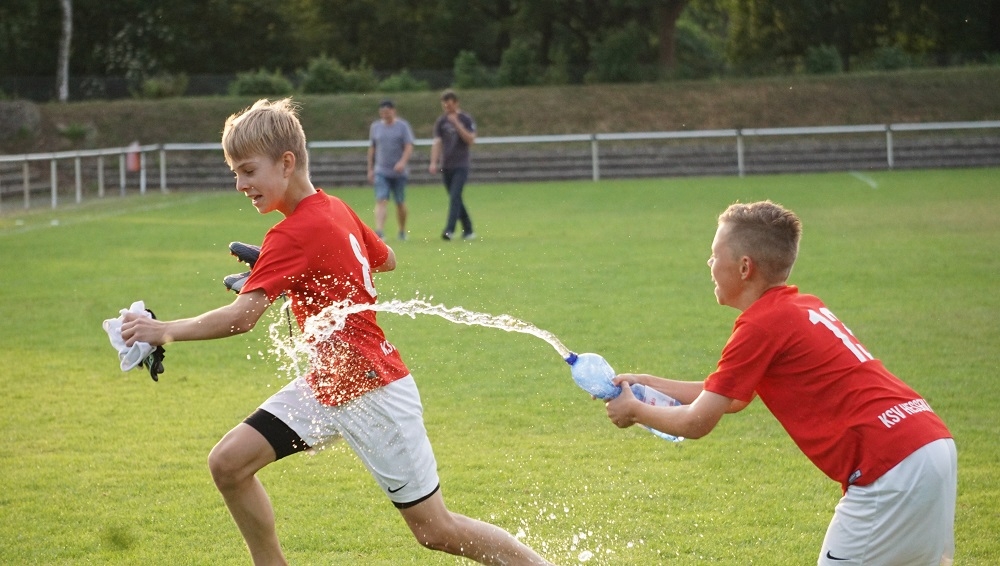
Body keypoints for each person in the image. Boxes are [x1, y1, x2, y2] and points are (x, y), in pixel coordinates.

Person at [120, 98, 553, 566]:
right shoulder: (334, 208)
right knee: (228, 464)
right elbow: (385, 260)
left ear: (286, 163)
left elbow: (241, 318)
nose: (240, 185)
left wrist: (158, 330)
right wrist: (293, 276)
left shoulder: (292, 234)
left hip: (371, 388)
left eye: (247, 171)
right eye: (235, 174)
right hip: (329, 382)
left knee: (434, 529)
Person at [603, 200, 956, 566]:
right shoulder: (799, 306)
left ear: (744, 267)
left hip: (890, 466)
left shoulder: (760, 325)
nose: (709, 264)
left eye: (714, 255)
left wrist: (635, 411)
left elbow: (697, 421)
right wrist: (647, 382)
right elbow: (730, 397)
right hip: (928, 441)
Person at [428, 89, 476, 241]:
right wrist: (433, 162)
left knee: (455, 196)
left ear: (456, 103)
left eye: (449, 105)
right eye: (444, 106)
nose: (447, 109)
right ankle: (468, 229)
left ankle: (449, 230)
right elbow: (437, 143)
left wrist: (457, 124)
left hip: (461, 164)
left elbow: (470, 140)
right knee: (456, 198)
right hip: (447, 165)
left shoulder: (466, 119)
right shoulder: (441, 122)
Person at [367, 99, 414, 241]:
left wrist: (402, 162)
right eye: (382, 113)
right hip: (381, 170)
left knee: (400, 202)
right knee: (381, 199)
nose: (385, 115)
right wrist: (370, 168)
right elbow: (372, 148)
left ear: (393, 111)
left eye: (387, 112)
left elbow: (408, 146)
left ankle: (402, 230)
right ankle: (379, 231)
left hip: (399, 172)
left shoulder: (402, 126)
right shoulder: (375, 127)